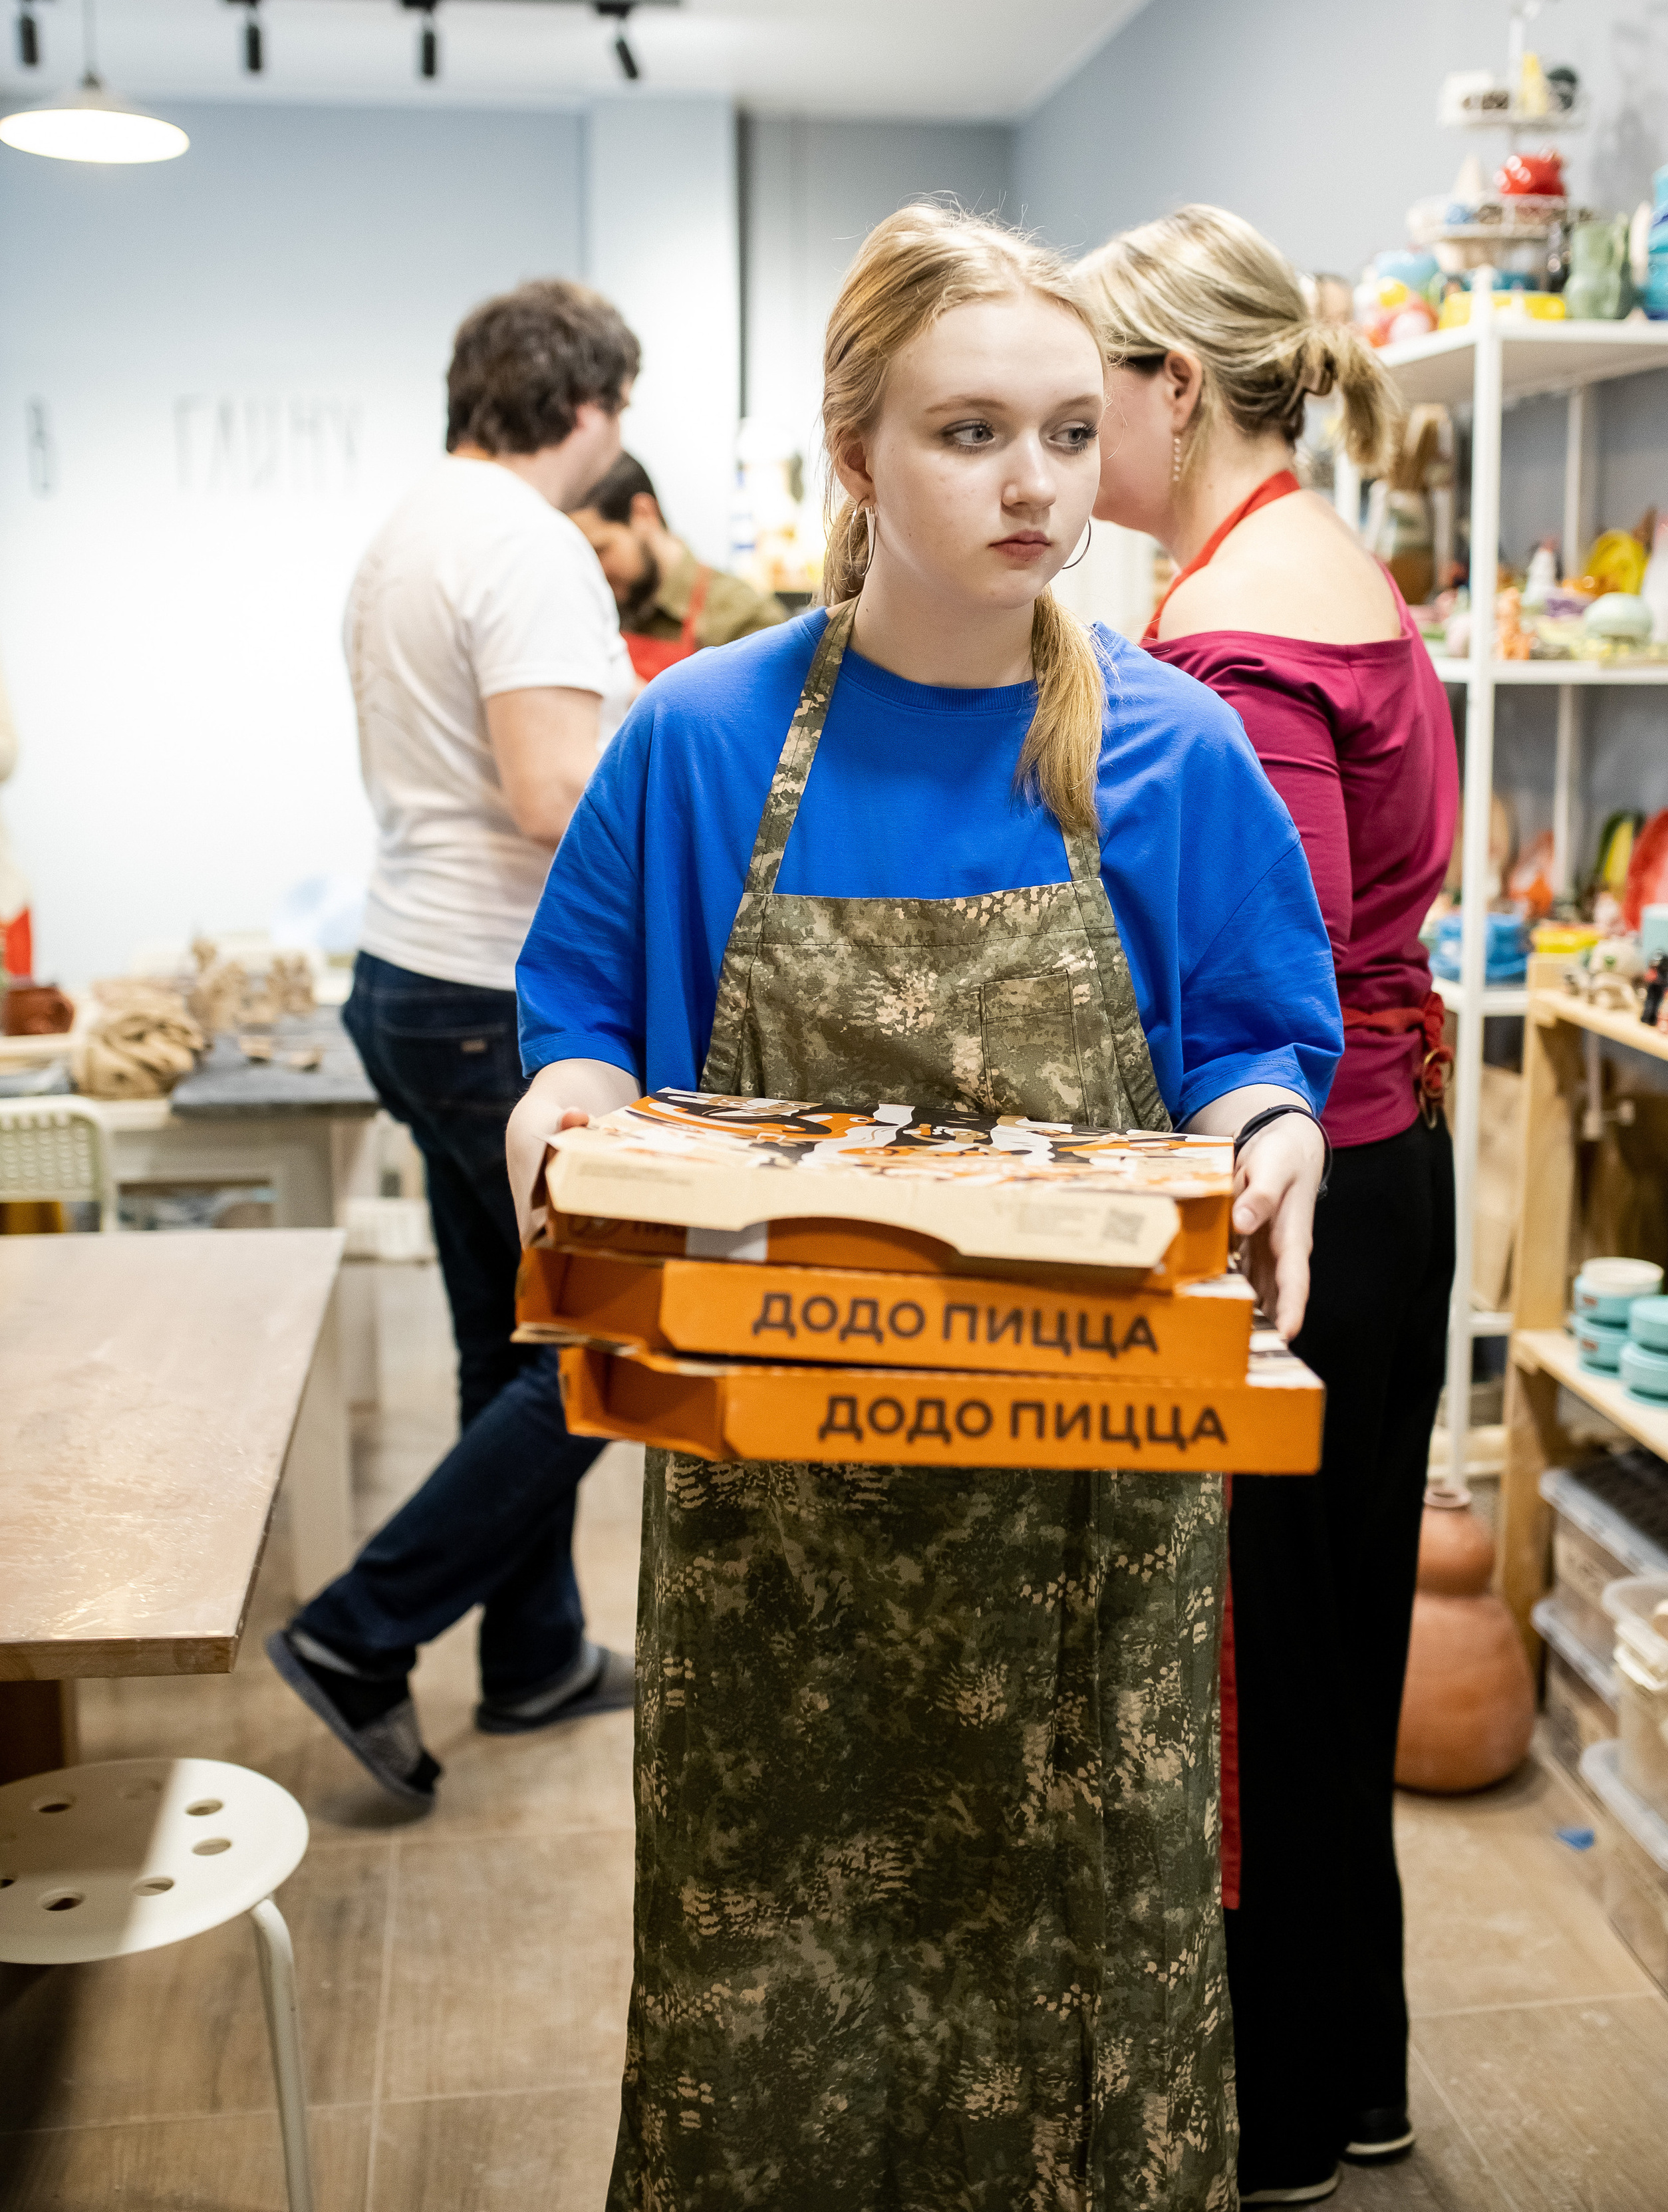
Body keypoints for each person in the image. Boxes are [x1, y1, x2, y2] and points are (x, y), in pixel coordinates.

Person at [505, 205, 1343, 2208]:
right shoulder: (702, 741)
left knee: (1077, 2007)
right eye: (970, 429)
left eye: (1068, 429)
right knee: (774, 1995)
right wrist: (560, 1117)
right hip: (779, 1542)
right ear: (853, 448)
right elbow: (579, 1033)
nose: (1035, 481)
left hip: (1087, 1530)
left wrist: (1274, 1133)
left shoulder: (1169, 745)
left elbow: (1247, 1048)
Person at [1075, 205, 1458, 2207]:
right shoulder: (1341, 575)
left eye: (1082, 396)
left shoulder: (1234, 631)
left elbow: (1266, 968)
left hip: (1312, 1197)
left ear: (1169, 388)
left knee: (1269, 1670)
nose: (1060, 438)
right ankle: (1353, 2070)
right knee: (1335, 1650)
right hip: (1396, 1169)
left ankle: (1282, 2108)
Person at [266, 278, 644, 1811]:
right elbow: (555, 792)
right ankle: (361, 1633)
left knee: (509, 1337)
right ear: (582, 408)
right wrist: (685, 751)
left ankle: (533, 1653)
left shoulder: (412, 527)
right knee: (607, 1341)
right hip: (498, 995)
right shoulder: (530, 541)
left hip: (411, 973)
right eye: (618, 416)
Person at [571, 450, 788, 676]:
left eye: (599, 550)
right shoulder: (589, 609)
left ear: (643, 514)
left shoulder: (746, 619)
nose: (591, 569)